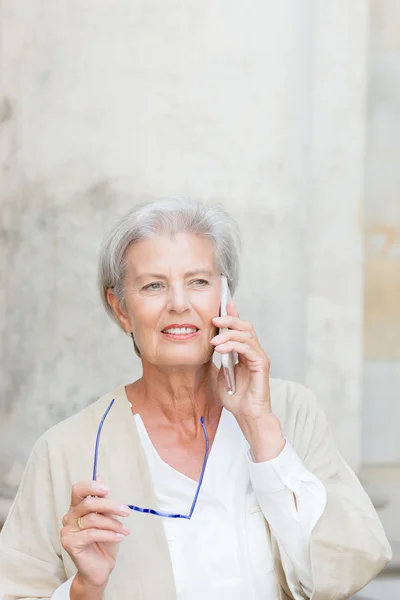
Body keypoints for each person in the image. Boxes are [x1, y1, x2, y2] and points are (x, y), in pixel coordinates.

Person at [0, 198, 391, 600]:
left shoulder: (291, 411)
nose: (179, 304)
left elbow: (348, 567)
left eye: (199, 282)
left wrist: (261, 427)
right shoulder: (65, 449)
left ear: (225, 295)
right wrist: (84, 588)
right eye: (153, 285)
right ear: (120, 308)